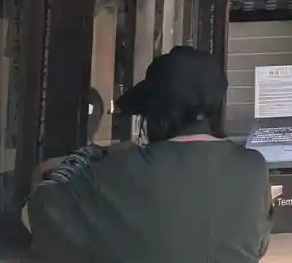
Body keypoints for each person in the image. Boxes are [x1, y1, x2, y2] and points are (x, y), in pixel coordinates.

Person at [26, 46, 272, 263]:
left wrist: (84, 157)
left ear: (156, 117)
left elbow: (37, 214)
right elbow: (258, 245)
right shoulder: (253, 169)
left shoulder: (116, 171)